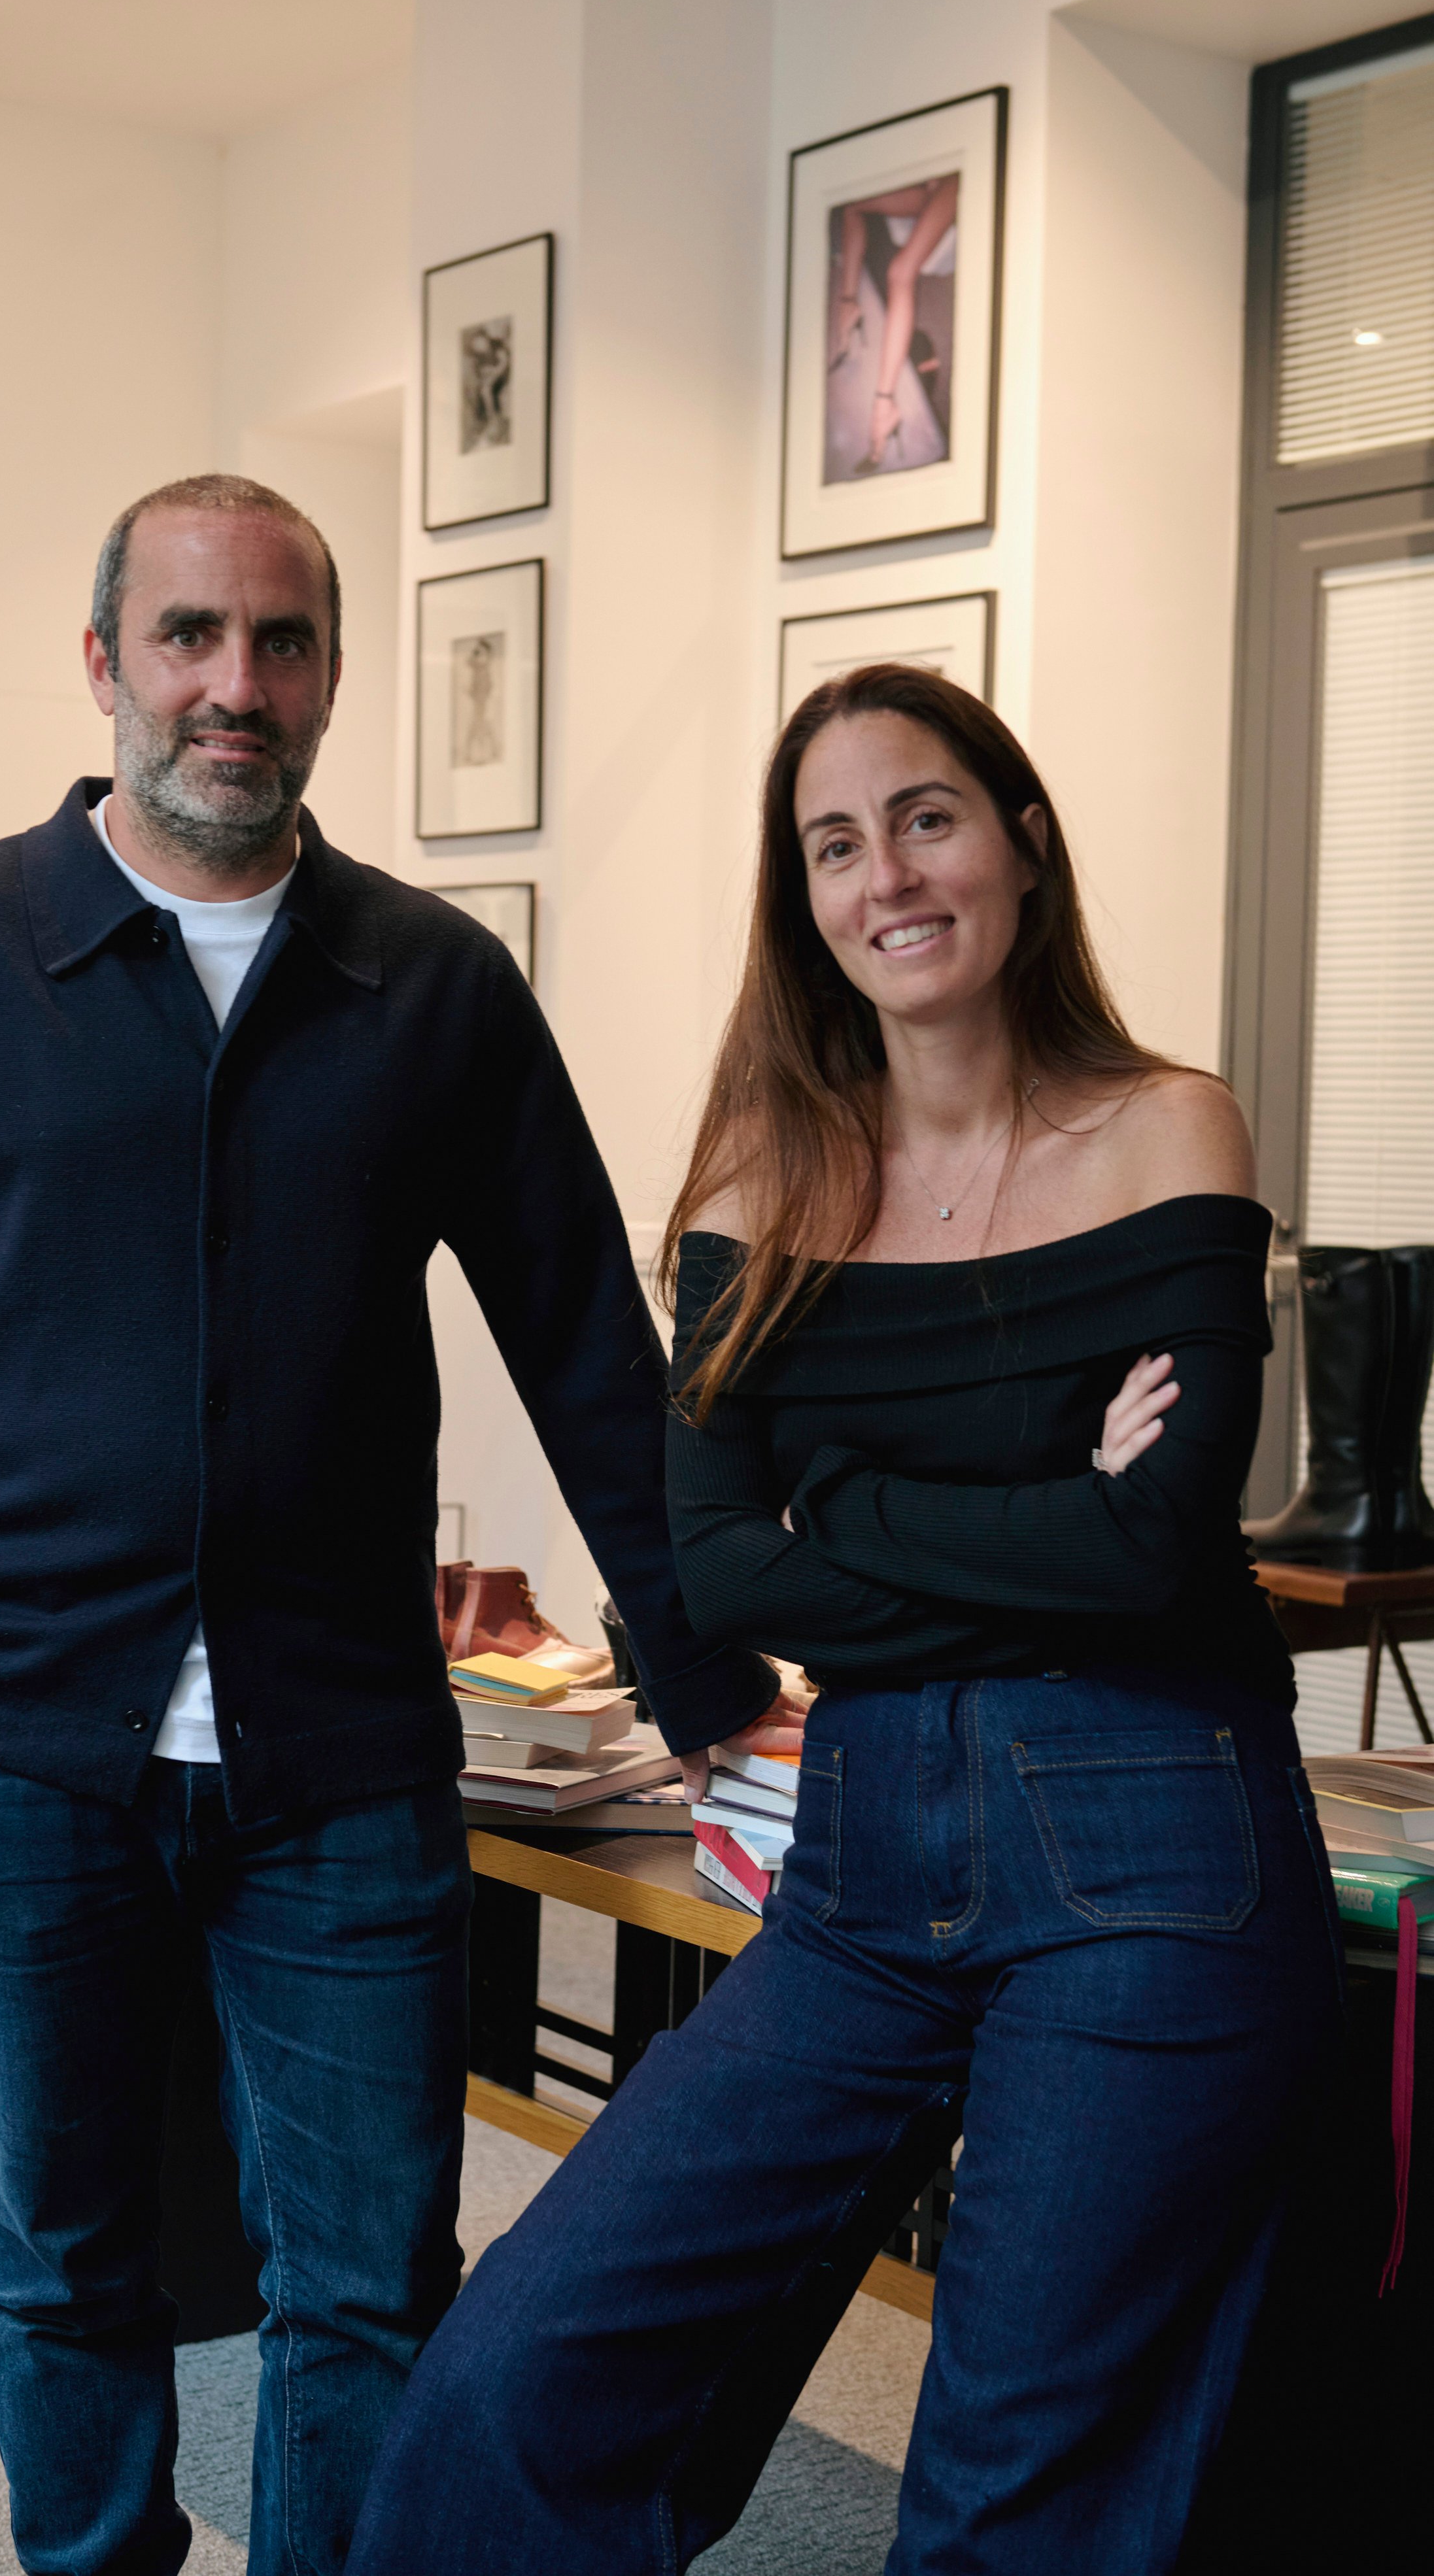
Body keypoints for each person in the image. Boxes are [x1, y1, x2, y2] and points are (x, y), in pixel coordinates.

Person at [0, 472, 774, 2576]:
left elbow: (578, 1343)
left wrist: (708, 1657)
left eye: (279, 644)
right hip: (11, 1741)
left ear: (333, 678)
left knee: (368, 2277)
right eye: (188, 637)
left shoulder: (430, 983)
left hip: (343, 1749)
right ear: (105, 664)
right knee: (67, 2258)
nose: (232, 687)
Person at [341, 666, 1344, 2575]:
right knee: (514, 2387)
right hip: (862, 1867)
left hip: (1152, 1853)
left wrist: (852, 1509)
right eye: (831, 842)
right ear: (798, 900)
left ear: (1022, 846)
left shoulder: (1167, 1134)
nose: (884, 871)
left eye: (927, 816)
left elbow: (1153, 1558)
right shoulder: (761, 1184)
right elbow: (717, 1570)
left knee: (1009, 2494)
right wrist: (1034, 1513)